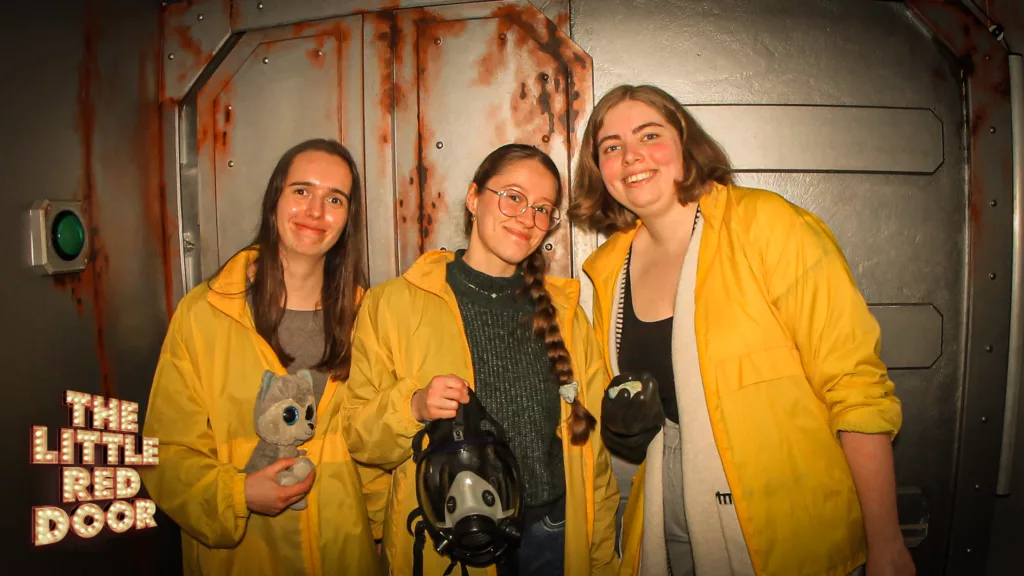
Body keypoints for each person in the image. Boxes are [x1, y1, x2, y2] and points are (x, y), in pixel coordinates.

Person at [569, 84, 914, 576]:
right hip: (667, 520)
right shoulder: (606, 272)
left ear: (686, 145)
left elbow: (855, 385)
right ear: (599, 169)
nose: (631, 156)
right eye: (611, 146)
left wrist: (886, 540)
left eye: (649, 135)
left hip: (790, 525)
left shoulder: (765, 224)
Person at [341, 143, 619, 575]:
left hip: (553, 535)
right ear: (473, 198)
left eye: (542, 209)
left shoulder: (565, 315)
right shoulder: (393, 305)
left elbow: (594, 454)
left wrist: (600, 556)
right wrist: (412, 406)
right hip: (450, 541)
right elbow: (359, 435)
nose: (527, 218)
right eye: (513, 197)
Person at [139, 138, 388, 575]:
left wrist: (382, 536)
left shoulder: (366, 319)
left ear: (348, 218)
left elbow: (375, 457)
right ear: (275, 199)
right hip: (242, 558)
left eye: (335, 199)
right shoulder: (206, 314)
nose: (315, 211)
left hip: (344, 555)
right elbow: (167, 451)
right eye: (301, 190)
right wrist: (238, 496)